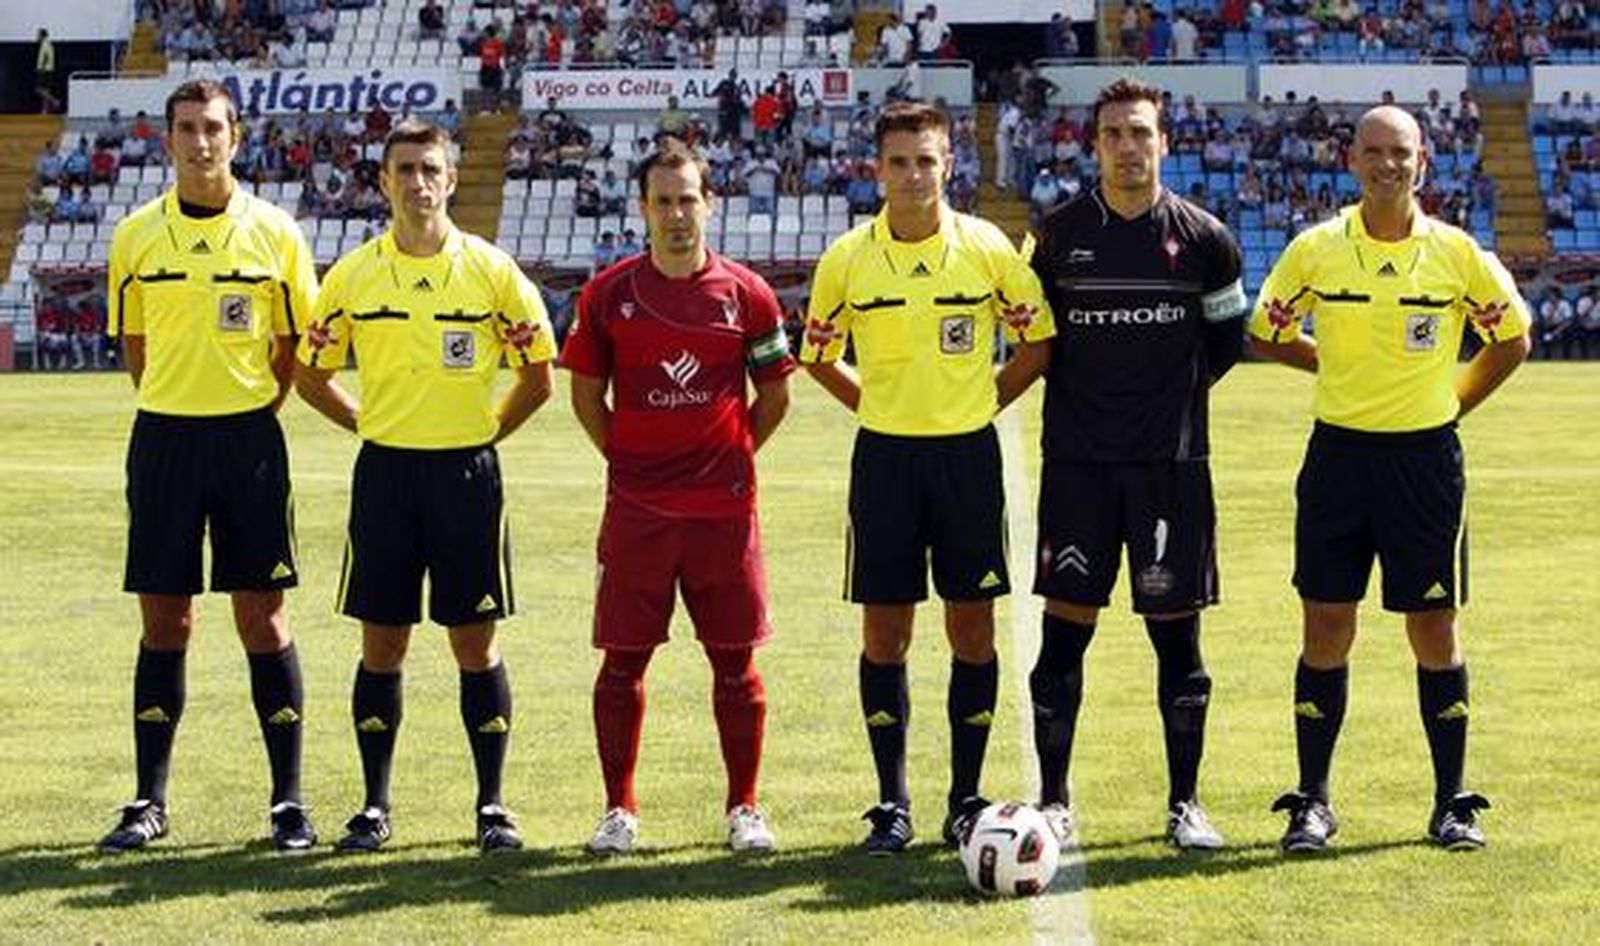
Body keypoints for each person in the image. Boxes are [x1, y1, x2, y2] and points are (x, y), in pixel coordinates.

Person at [1249, 105, 1531, 853]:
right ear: (1350, 161)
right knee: (1325, 629)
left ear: (1423, 161)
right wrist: (1332, 365)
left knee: (1434, 630)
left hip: (1425, 463)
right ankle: (1312, 802)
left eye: (1400, 152)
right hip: (1339, 457)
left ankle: (1451, 805)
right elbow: (1266, 330)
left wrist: (1454, 400)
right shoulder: (1316, 250)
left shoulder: (1455, 254)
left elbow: (1513, 336)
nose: (1386, 164)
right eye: (1373, 151)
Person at [293, 120, 557, 854]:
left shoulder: (492, 272)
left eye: (429, 169)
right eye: (403, 169)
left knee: (475, 642)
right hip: (385, 473)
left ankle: (492, 807)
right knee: (384, 643)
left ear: (450, 179)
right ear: (383, 181)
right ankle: (375, 807)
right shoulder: (351, 276)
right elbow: (310, 374)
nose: (417, 183)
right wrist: (368, 423)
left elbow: (539, 377)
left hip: (466, 476)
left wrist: (482, 434)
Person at [801, 101, 1056, 854]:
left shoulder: (986, 250)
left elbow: (1037, 343)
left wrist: (981, 405)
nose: (914, 173)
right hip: (884, 460)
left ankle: (965, 797)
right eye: (899, 160)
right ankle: (892, 802)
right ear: (877, 169)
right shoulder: (847, 258)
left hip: (966, 460)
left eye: (927, 159)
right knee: (886, 631)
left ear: (950, 164)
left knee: (970, 627)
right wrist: (875, 408)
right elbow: (818, 355)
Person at [1024, 78, 1246, 850]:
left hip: (1171, 467)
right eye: (1114, 133)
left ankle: (1186, 805)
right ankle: (1053, 799)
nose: (1128, 146)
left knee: (1176, 640)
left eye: (1141, 133)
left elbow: (1225, 341)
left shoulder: (1207, 238)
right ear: (1095, 144)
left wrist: (1168, 401)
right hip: (1078, 465)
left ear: (1164, 142)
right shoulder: (1054, 237)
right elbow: (1039, 341)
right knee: (1064, 634)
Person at [101, 80, 318, 854]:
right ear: (168, 140)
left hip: (248, 442)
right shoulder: (134, 235)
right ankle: (147, 800)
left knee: (262, 617)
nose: (201, 142)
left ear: (237, 136)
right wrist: (177, 399)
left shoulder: (276, 232)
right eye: (187, 128)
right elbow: (135, 347)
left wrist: (248, 409)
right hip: (162, 439)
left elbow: (293, 348)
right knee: (167, 620)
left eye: (214, 128)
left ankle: (288, 803)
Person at [562, 141, 794, 855]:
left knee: (735, 661)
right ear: (642, 209)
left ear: (709, 203)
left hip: (723, 512)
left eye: (687, 198)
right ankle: (618, 810)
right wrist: (631, 460)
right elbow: (584, 394)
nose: (675, 214)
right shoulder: (608, 295)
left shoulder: (747, 294)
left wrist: (728, 460)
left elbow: (776, 394)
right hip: (638, 513)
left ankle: (745, 808)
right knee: (623, 661)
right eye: (662, 201)